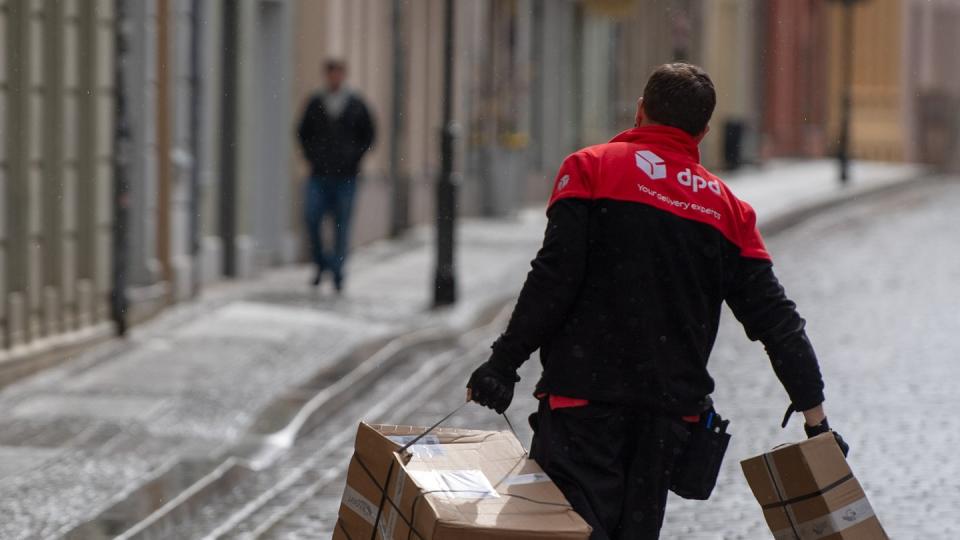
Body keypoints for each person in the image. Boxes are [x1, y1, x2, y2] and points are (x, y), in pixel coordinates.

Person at [466, 63, 847, 539]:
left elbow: (553, 280)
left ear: (640, 109)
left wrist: (503, 365)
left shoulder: (590, 169)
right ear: (703, 130)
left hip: (583, 404)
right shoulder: (727, 211)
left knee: (567, 532)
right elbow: (777, 321)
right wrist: (816, 418)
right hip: (668, 420)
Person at [297, 59, 375, 292]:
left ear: (343, 76)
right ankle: (322, 264)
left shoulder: (356, 104)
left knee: (342, 225)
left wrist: (354, 157)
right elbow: (302, 133)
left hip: (346, 176)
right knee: (312, 219)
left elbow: (369, 134)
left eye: (338, 74)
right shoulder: (315, 102)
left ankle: (339, 273)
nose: (334, 78)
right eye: (331, 74)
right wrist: (313, 157)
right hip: (319, 175)